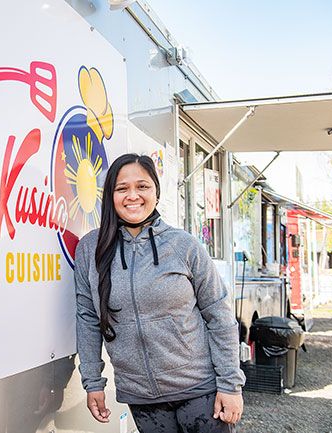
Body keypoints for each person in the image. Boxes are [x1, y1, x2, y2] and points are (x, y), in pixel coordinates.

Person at [74, 153, 245, 433]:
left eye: (142, 186)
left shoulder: (183, 245)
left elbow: (219, 316)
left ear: (156, 191)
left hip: (199, 390)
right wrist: (93, 382)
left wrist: (230, 385)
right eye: (122, 188)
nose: (133, 196)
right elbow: (87, 318)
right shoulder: (91, 249)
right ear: (110, 196)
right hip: (142, 398)